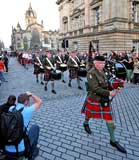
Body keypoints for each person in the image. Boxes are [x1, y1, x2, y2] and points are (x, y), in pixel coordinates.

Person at [81, 55, 127, 154]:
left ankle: (113, 140)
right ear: (95, 63)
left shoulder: (104, 71)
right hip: (94, 98)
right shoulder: (91, 73)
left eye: (103, 63)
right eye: (100, 63)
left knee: (109, 118)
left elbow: (109, 81)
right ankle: (85, 123)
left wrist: (118, 84)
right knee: (89, 114)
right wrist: (109, 93)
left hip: (104, 99)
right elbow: (95, 88)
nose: (103, 65)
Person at [4, 91, 42, 159]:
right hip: (20, 150)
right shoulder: (27, 110)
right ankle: (31, 154)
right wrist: (31, 94)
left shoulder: (11, 108)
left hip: (6, 147)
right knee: (35, 127)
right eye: (28, 101)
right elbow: (39, 102)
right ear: (26, 102)